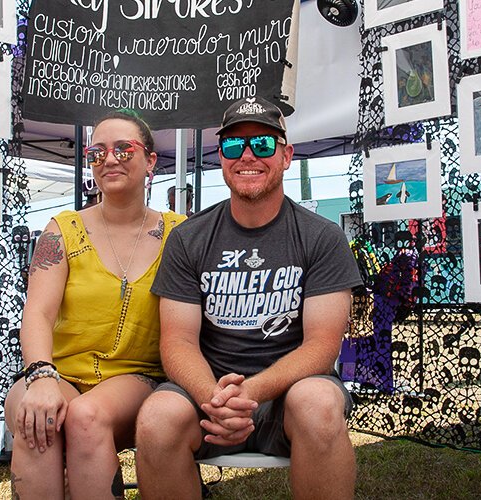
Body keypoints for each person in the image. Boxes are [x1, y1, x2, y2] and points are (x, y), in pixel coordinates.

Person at [136, 97, 363, 499]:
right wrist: (215, 400)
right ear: (220, 157)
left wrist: (251, 394)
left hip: (290, 395)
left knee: (318, 404)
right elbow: (177, 341)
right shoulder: (188, 238)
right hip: (208, 397)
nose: (246, 156)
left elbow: (322, 347)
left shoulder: (322, 237)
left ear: (286, 155)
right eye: (232, 146)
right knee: (156, 418)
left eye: (262, 145)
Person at [6, 110, 185, 499]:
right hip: (60, 373)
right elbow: (37, 312)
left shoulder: (179, 233)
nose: (110, 159)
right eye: (97, 152)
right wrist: (39, 376)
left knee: (87, 417)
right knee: (34, 411)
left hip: (136, 376)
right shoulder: (63, 229)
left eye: (124, 148)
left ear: (151, 160)